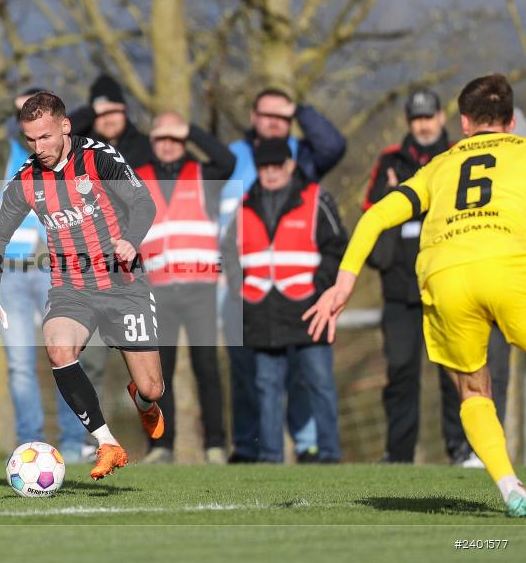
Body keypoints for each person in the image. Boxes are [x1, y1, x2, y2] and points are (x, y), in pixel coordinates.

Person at [305, 73, 526, 517]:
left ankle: (511, 489)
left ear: (464, 123)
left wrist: (344, 283)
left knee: (471, 388)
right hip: (510, 268)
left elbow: (373, 219)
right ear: (510, 121)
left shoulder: (440, 165)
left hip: (445, 276)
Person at [0, 92, 164, 480]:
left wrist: (131, 239)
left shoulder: (98, 157)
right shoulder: (26, 180)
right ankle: (107, 443)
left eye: (45, 137)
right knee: (58, 347)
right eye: (30, 139)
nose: (38, 147)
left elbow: (143, 202)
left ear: (65, 126)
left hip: (123, 284)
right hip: (71, 288)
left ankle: (143, 401)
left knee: (152, 388)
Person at [364, 89, 511, 464]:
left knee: (459, 376)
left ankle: (464, 451)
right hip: (401, 288)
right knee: (400, 374)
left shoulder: (455, 156)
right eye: (416, 118)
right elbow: (374, 215)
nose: (423, 124)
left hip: (449, 283)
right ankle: (398, 454)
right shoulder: (389, 160)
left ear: (446, 119)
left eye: (428, 116)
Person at [0, 89, 92, 463]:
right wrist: (10, 103)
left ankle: (74, 441)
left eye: (44, 131)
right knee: (20, 365)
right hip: (15, 276)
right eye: (30, 131)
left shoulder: (75, 162)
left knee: (66, 358)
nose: (38, 142)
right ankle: (30, 446)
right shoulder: (7, 156)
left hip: (57, 272)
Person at [221, 87, 347, 463]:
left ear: (291, 166)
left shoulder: (315, 198)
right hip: (261, 311)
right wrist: (240, 289)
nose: (272, 173)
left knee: (319, 383)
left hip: (308, 308)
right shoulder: (243, 207)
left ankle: (329, 454)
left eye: (278, 166)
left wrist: (320, 287)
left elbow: (337, 247)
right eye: (265, 167)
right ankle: (270, 458)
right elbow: (229, 254)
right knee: (266, 387)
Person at [133, 111, 235, 464]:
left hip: (200, 288)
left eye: (174, 138)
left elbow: (228, 159)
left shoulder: (203, 174)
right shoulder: (138, 178)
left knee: (206, 365)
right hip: (157, 289)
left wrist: (189, 129)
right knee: (158, 373)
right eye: (161, 137)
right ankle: (161, 446)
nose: (167, 145)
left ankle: (216, 445)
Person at [69, 74, 153, 169]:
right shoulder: (82, 147)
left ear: (124, 111)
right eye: (101, 113)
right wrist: (90, 111)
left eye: (113, 112)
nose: (108, 120)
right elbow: (58, 136)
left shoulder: (145, 147)